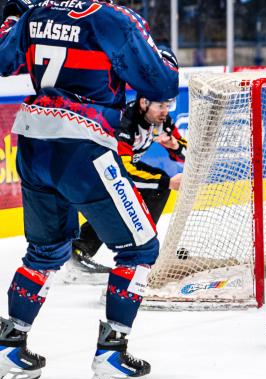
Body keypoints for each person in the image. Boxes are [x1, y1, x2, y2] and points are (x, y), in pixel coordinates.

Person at [0, 0, 178, 379]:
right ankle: (111, 358)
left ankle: (8, 351)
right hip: (83, 148)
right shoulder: (113, 19)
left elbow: (3, 57)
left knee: (44, 252)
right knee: (140, 249)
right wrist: (151, 47)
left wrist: (15, 13)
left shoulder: (35, 16)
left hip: (33, 144)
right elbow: (161, 80)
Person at [66, 93, 186, 284]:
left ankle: (144, 246)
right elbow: (123, 172)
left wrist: (174, 146)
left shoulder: (162, 120)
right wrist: (168, 182)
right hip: (94, 167)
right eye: (160, 106)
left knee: (157, 187)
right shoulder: (126, 122)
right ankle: (78, 253)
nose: (165, 111)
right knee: (114, 201)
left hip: (113, 167)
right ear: (144, 103)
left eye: (168, 106)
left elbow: (187, 153)